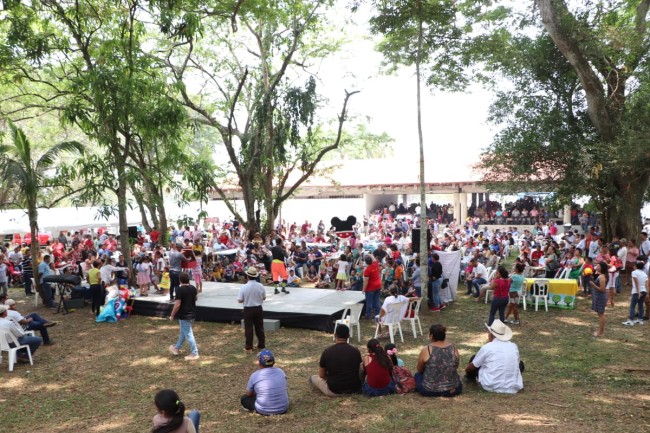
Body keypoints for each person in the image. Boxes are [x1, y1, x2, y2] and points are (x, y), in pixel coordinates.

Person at [465, 319, 524, 394]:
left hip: (491, 385)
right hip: (513, 386)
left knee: (474, 359)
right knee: (520, 364)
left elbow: (472, 367)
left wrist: (467, 371)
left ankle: (470, 379)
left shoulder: (487, 347)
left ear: (490, 334)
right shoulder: (513, 346)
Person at [308, 324, 362, 397]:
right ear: (348, 336)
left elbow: (322, 375)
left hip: (333, 390)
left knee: (313, 378)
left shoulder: (327, 352)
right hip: (354, 389)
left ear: (335, 335)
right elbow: (357, 369)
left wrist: (331, 379)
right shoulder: (356, 351)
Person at [414, 324, 462, 397]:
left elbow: (420, 369)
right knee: (457, 377)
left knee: (417, 375)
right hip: (453, 389)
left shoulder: (426, 350)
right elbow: (456, 366)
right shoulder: (453, 348)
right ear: (444, 335)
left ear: (431, 336)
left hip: (429, 390)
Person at [241, 349, 289, 415]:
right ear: (273, 362)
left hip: (263, 410)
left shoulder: (255, 375)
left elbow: (249, 394)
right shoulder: (281, 372)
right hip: (283, 408)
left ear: (259, 363)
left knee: (244, 398)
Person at [168, 272, 199, 360]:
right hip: (192, 314)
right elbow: (196, 298)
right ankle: (176, 348)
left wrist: (172, 315)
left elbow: (177, 304)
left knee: (188, 334)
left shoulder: (179, 290)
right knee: (183, 333)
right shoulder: (193, 288)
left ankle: (195, 353)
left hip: (184, 315)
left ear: (180, 280)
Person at [238, 267, 266, 352]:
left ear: (247, 276)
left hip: (248, 309)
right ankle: (261, 345)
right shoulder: (260, 286)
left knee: (249, 328)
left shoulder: (244, 287)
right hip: (258, 308)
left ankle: (249, 347)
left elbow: (240, 300)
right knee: (260, 327)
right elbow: (264, 298)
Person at [622, 261, 647, 326]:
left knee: (632, 306)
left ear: (636, 266)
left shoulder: (634, 272)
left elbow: (636, 282)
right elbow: (646, 284)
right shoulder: (644, 274)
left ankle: (631, 320)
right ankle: (640, 319)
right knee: (641, 305)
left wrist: (638, 292)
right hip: (644, 290)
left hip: (636, 291)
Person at [590, 261, 609, 337]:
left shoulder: (602, 277)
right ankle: (600, 330)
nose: (597, 267)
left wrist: (593, 284)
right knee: (599, 314)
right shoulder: (600, 275)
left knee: (601, 315)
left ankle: (601, 332)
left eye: (598, 266)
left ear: (602, 268)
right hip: (598, 296)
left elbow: (602, 289)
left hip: (600, 297)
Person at [362, 255, 382, 320]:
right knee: (377, 301)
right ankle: (378, 314)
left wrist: (364, 289)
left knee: (369, 302)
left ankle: (368, 315)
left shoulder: (367, 270)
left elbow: (366, 281)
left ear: (366, 262)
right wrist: (370, 255)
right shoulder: (375, 264)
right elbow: (373, 258)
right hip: (378, 285)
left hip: (371, 287)